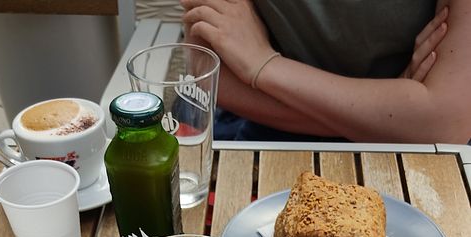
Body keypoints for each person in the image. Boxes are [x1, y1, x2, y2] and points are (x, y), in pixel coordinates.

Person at [180, 0, 470, 144]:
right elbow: (207, 68)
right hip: (266, 138)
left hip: (423, 161)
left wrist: (265, 65)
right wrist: (395, 115)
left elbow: (447, 122)